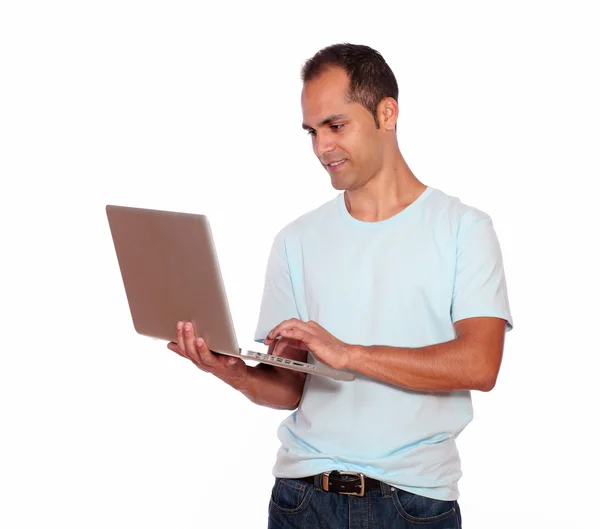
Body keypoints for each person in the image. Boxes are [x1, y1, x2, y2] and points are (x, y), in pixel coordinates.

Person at [167, 43, 513, 529]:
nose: (321, 147)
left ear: (386, 113)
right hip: (301, 501)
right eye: (311, 131)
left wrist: (348, 353)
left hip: (412, 505)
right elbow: (288, 388)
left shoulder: (463, 229)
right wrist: (230, 370)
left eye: (336, 125)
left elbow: (480, 364)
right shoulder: (296, 240)